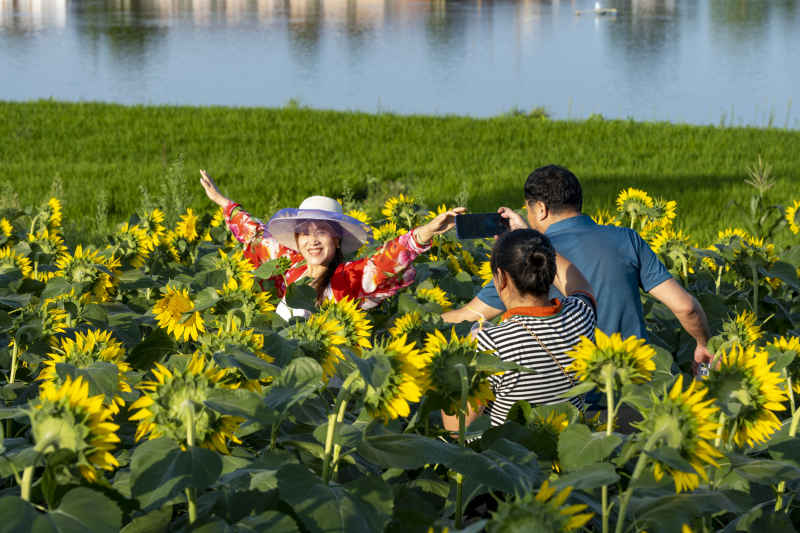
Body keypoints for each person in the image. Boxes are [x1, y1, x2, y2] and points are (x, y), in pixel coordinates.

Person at [442, 165, 713, 372]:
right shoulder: (627, 239)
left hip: (570, 397)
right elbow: (685, 307)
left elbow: (470, 316)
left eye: (528, 209)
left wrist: (420, 322)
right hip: (632, 385)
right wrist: (702, 344)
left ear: (540, 208)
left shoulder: (528, 256)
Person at [199, 170, 464, 320]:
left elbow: (386, 260)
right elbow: (254, 235)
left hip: (328, 383)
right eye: (305, 233)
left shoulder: (345, 278)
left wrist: (425, 232)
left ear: (336, 240)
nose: (312, 240)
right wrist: (225, 204)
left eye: (321, 233)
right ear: (297, 239)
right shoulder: (288, 264)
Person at [442, 229, 596, 430]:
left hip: (508, 457)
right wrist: (539, 245)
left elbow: (457, 429)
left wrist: (453, 363)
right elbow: (580, 284)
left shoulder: (489, 345)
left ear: (501, 278)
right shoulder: (581, 315)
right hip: (564, 450)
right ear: (551, 271)